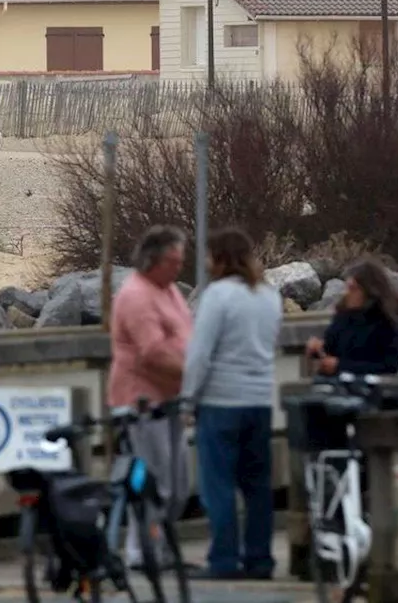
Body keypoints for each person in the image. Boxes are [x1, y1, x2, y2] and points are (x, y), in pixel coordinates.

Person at [181, 227, 282, 581]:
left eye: (210, 255)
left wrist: (187, 401)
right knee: (257, 487)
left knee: (219, 486)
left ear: (220, 258)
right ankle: (260, 559)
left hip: (221, 403)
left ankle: (224, 560)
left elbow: (199, 355)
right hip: (259, 402)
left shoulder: (218, 296)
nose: (206, 262)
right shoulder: (269, 296)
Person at [109, 225, 193, 569]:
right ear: (153, 261)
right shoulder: (136, 295)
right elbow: (152, 352)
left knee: (178, 481)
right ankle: (141, 551)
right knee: (153, 479)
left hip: (170, 400)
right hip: (141, 401)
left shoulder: (169, 289)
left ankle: (163, 548)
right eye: (173, 261)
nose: (179, 268)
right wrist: (195, 375)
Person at [306, 260, 398, 376]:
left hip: (369, 387)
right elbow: (331, 348)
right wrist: (318, 349)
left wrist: (340, 366)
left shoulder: (391, 323)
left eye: (353, 289)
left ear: (369, 291)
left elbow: (389, 367)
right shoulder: (344, 317)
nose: (347, 294)